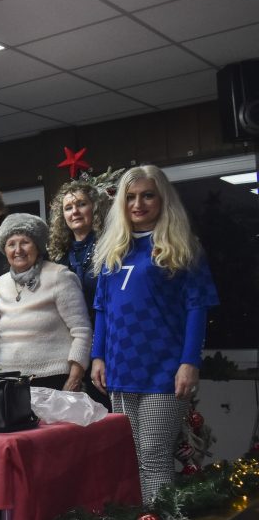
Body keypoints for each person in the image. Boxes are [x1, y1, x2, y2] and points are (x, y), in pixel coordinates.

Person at [90, 165, 218, 502]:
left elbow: (197, 307)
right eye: (130, 197)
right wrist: (97, 356)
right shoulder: (112, 249)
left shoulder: (182, 246)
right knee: (132, 457)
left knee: (154, 454)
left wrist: (189, 362)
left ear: (163, 199)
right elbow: (102, 308)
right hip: (120, 369)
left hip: (164, 369)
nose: (138, 204)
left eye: (148, 195)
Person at [0, 213, 91, 391]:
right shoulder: (1, 284)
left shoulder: (59, 276)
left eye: (25, 242)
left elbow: (82, 331)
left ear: (38, 246)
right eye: (11, 244)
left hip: (54, 381)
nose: (18, 250)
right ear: (4, 249)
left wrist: (75, 377)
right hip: (8, 381)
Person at [46, 179, 109, 308]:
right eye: (68, 208)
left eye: (81, 204)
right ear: (63, 215)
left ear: (94, 208)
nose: (75, 211)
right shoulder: (57, 254)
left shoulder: (109, 245)